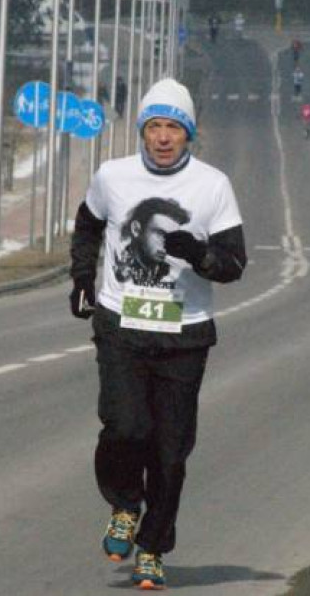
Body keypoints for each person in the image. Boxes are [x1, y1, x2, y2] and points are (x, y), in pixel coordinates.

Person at [69, 78, 246, 591]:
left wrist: (197, 254)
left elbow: (233, 264)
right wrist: (83, 278)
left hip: (184, 334)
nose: (163, 137)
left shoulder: (212, 187)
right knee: (126, 426)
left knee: (170, 453)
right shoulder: (113, 177)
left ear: (188, 134)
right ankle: (124, 504)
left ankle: (152, 547)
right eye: (154, 127)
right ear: (143, 131)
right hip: (121, 323)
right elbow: (88, 224)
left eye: (173, 128)